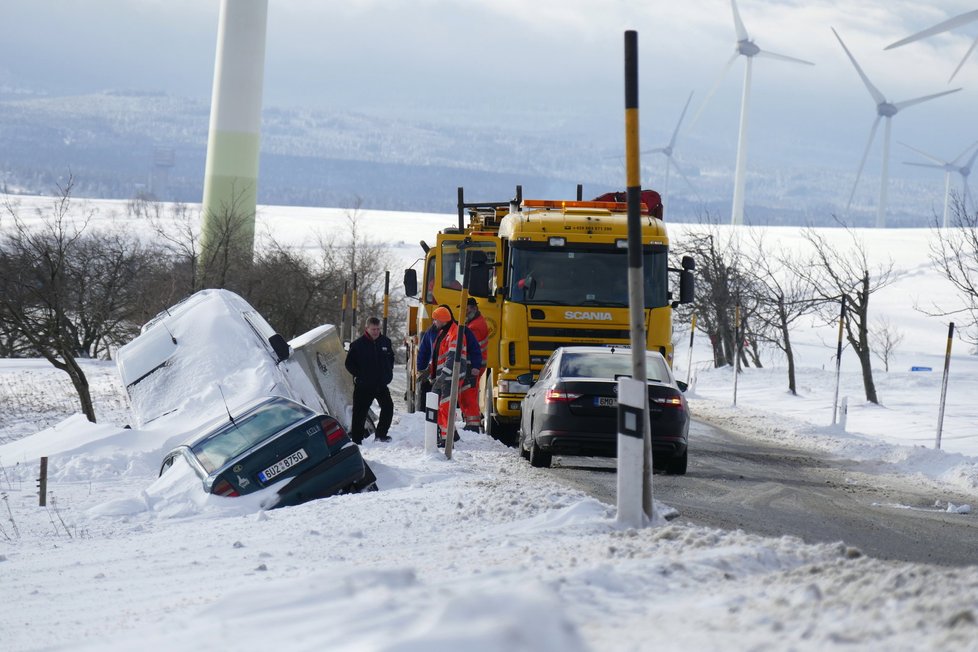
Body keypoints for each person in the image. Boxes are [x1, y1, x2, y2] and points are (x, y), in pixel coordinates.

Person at [426, 304, 481, 447]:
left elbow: (452, 357)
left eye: (435, 320)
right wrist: (429, 370)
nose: (434, 322)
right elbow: (439, 355)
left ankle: (447, 439)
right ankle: (450, 435)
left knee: (445, 407)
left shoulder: (454, 333)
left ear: (443, 320)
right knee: (439, 407)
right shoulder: (444, 332)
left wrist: (444, 375)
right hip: (444, 377)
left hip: (450, 377)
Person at [344, 316, 395, 444]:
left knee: (388, 408)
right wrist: (360, 375)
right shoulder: (357, 345)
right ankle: (357, 440)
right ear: (367, 328)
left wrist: (388, 373)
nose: (376, 332)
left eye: (378, 329)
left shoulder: (385, 342)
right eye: (373, 329)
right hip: (364, 386)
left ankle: (381, 435)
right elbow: (349, 364)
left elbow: (391, 359)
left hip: (381, 385)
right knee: (359, 413)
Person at [459, 297, 489, 432]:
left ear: (473, 309)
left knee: (469, 394)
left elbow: (469, 347)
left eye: (466, 309)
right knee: (467, 393)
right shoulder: (475, 323)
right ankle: (470, 422)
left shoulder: (475, 326)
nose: (464, 313)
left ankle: (473, 425)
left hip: (474, 366)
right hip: (475, 365)